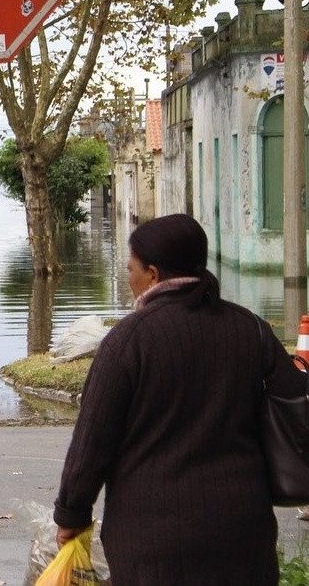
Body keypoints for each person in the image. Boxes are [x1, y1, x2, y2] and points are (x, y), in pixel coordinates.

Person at [53, 213, 306, 584]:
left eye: (131, 269)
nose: (129, 278)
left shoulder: (129, 340)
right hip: (242, 530)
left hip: (153, 541)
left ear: (153, 274)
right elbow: (296, 402)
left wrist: (71, 515)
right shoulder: (250, 328)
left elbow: (92, 442)